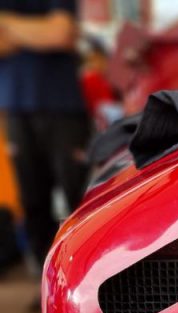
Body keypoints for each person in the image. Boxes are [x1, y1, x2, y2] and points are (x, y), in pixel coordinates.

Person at [0, 1, 90, 289]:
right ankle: (49, 288)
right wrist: (38, 30)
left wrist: (8, 23)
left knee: (79, 198)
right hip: (16, 109)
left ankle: (86, 279)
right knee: (32, 202)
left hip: (64, 106)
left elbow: (60, 34)